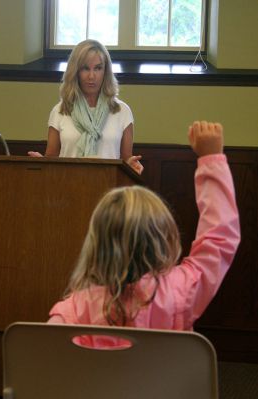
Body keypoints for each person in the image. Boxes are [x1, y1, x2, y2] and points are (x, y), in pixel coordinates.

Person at [47, 121, 241, 337]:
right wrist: (211, 160)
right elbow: (219, 237)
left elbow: (48, 363)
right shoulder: (181, 292)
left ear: (96, 244)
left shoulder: (71, 312)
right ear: (166, 238)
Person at [28, 39, 143, 175]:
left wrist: (132, 166)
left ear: (105, 72)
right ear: (75, 71)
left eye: (98, 68)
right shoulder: (60, 110)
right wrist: (41, 163)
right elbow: (51, 160)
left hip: (108, 189)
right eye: (85, 68)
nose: (91, 76)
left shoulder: (122, 111)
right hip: (67, 186)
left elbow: (126, 161)